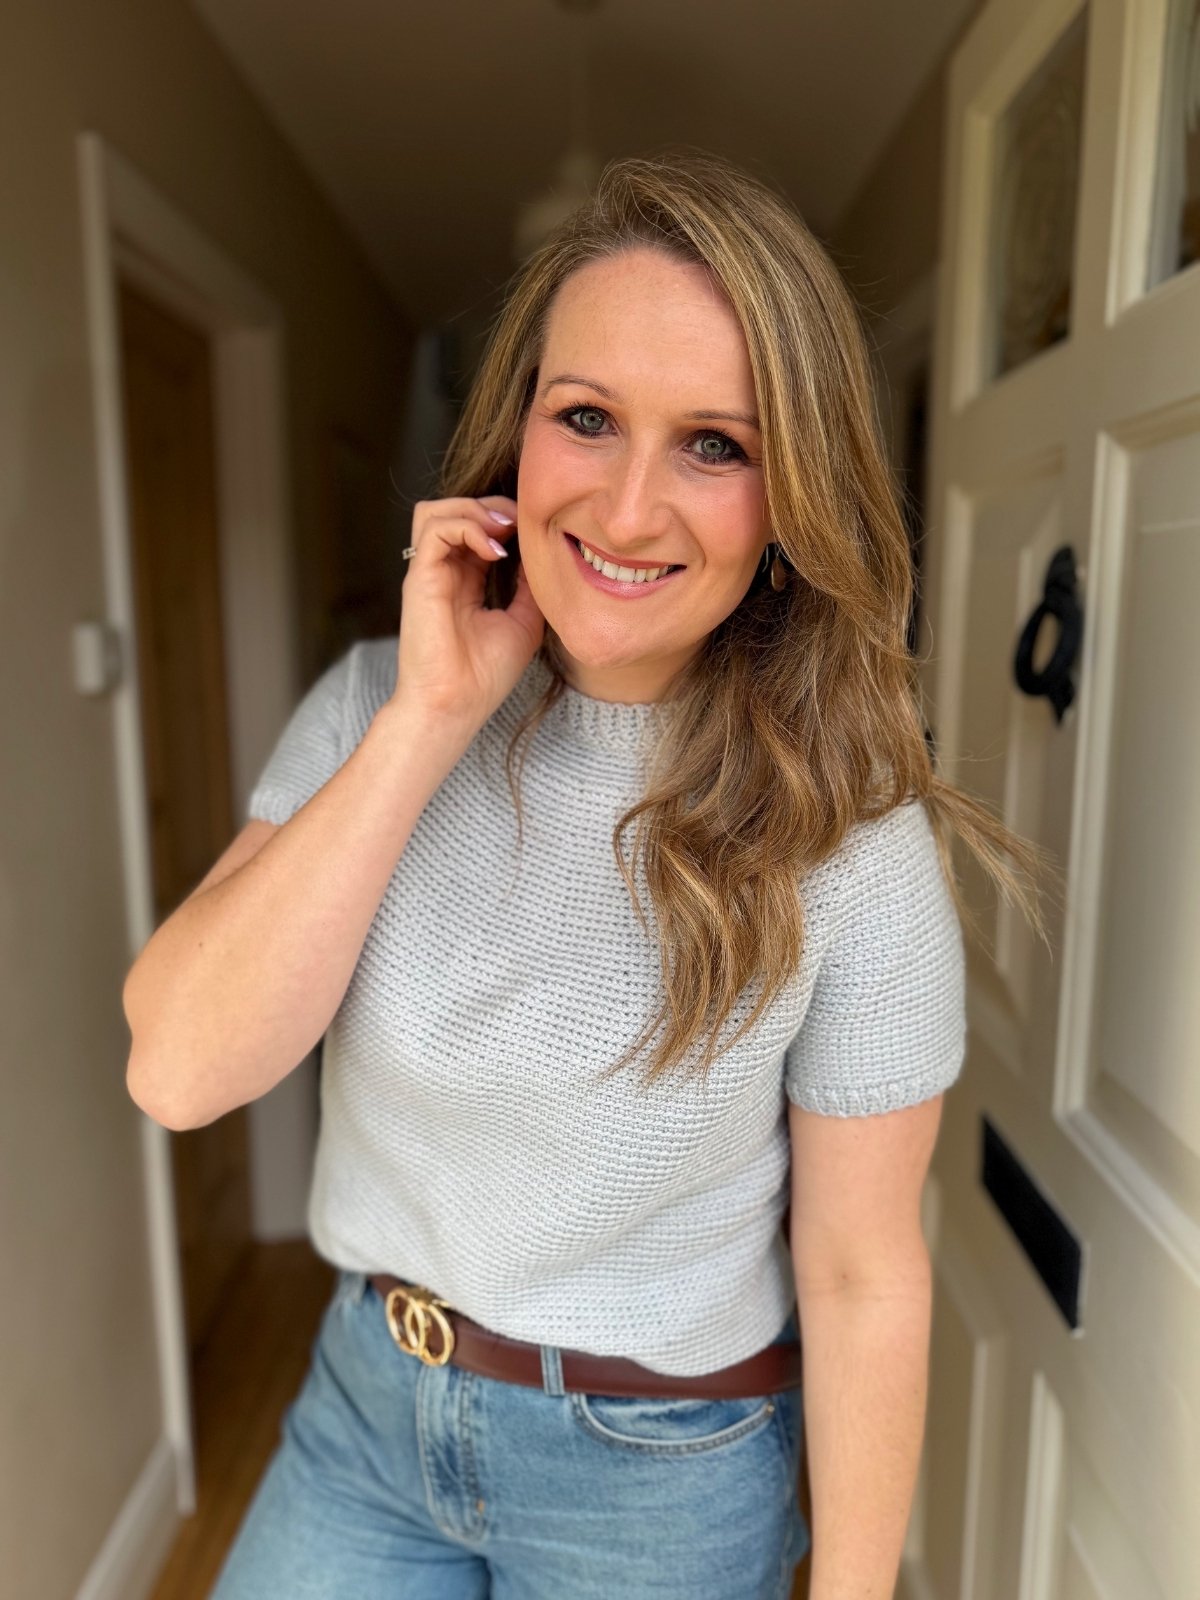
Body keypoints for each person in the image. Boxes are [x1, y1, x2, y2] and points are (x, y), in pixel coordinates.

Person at [123, 150, 1052, 1599]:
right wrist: (432, 722)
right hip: (368, 1410)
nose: (625, 511)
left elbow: (867, 1277)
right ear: (514, 440)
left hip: (661, 1480)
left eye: (714, 446)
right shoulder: (376, 707)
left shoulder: (851, 839)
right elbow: (178, 1069)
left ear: (790, 497)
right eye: (587, 418)